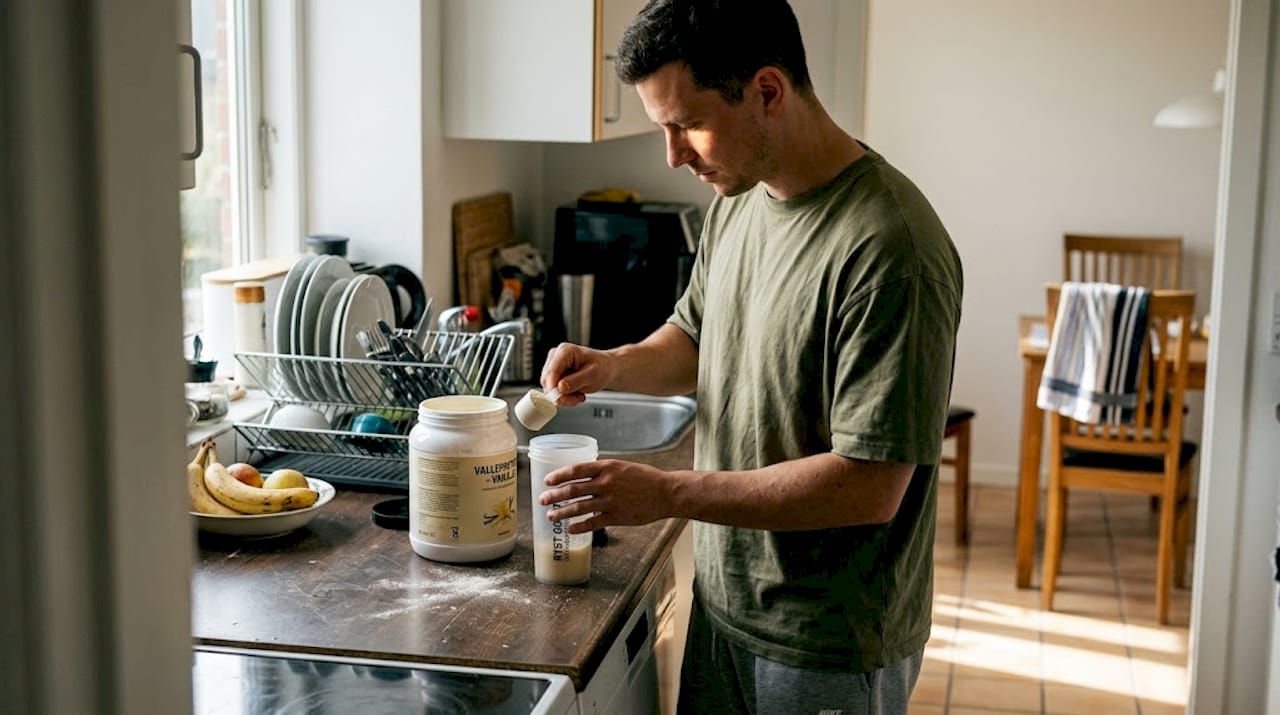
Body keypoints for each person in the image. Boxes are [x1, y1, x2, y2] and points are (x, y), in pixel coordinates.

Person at [536, 1, 963, 712]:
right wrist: (612, 364)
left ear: (767, 91)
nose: (673, 155)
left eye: (686, 124)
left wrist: (666, 494)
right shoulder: (738, 198)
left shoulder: (892, 248)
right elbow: (697, 336)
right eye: (661, 128)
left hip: (825, 641)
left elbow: (868, 486)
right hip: (726, 604)